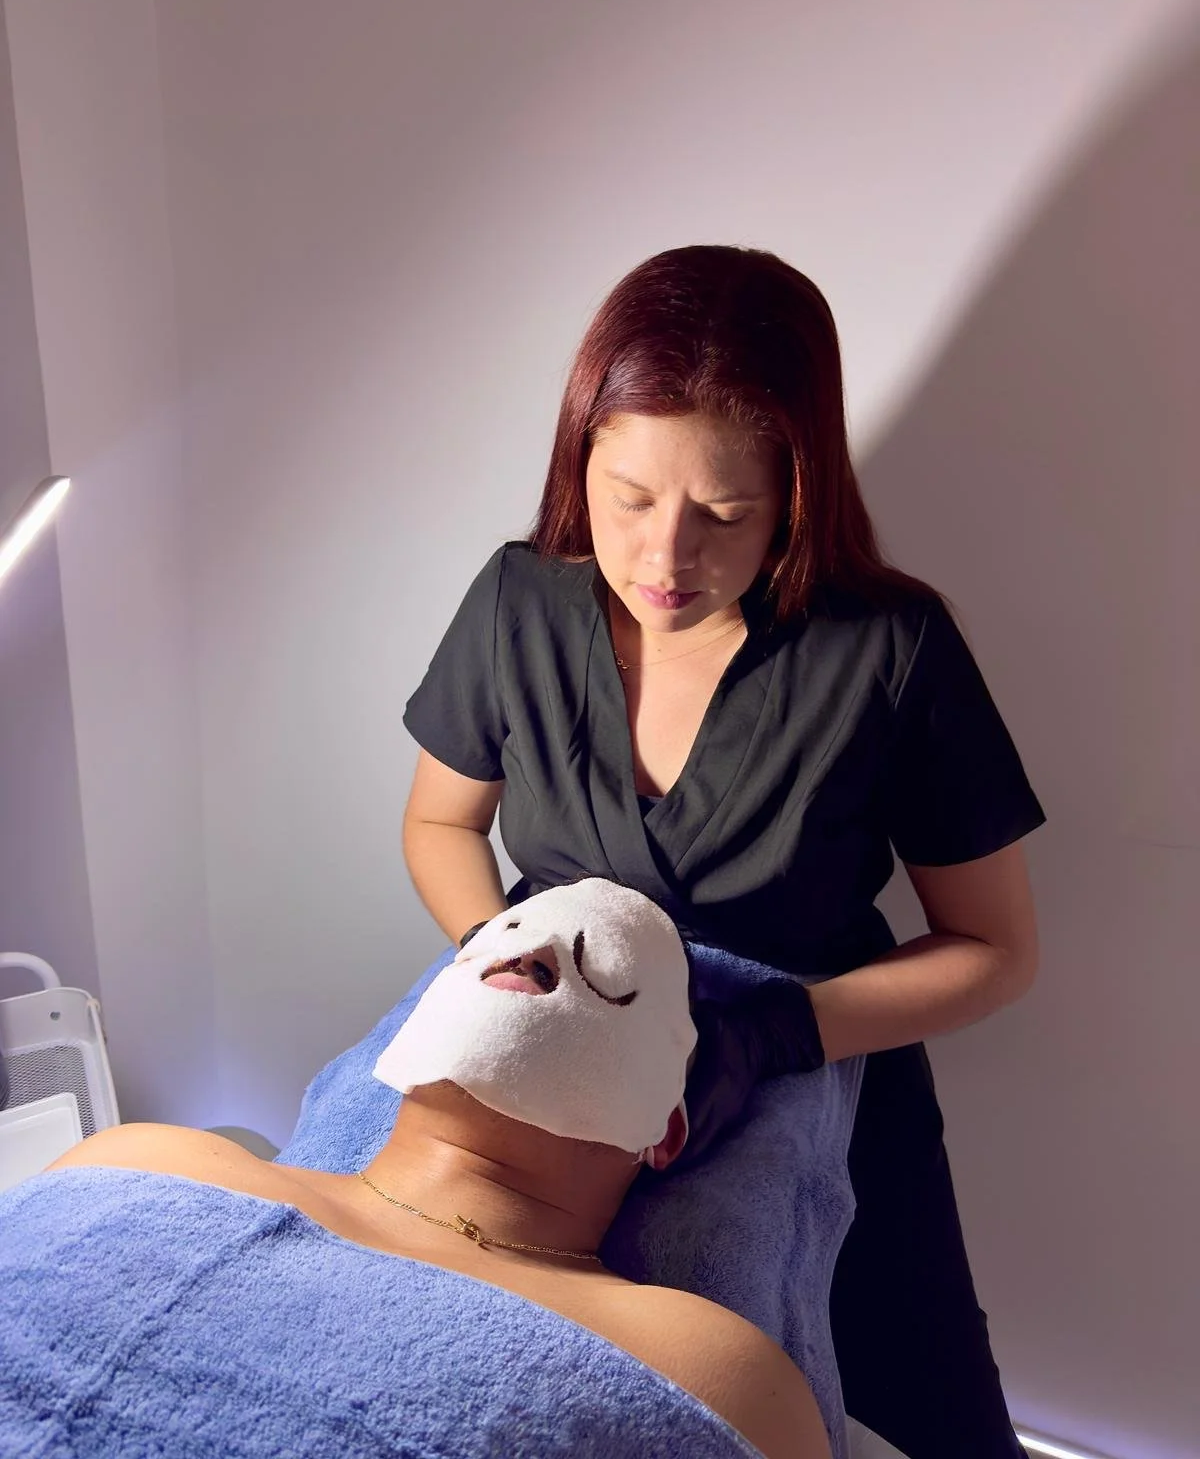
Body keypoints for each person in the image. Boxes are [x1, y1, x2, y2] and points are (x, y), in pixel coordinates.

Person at [401, 246, 1045, 1459]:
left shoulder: (890, 648)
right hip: (560, 1069)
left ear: (797, 496)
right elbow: (440, 822)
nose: (663, 559)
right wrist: (514, 969)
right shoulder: (518, 602)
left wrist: (775, 1035)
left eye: (726, 514)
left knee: (917, 1417)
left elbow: (997, 950)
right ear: (580, 459)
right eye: (630, 497)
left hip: (807, 1066)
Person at [0, 879, 831, 1459]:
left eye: (605, 967)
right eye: (502, 940)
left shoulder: (707, 1367)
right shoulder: (145, 1155)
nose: (532, 948)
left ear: (667, 1130)